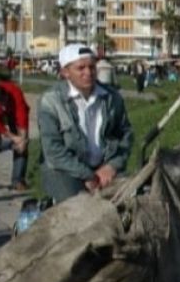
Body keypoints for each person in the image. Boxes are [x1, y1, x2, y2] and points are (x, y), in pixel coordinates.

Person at [36, 44, 134, 204]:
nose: (88, 73)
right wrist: (87, 175)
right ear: (65, 72)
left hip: (104, 168)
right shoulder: (51, 101)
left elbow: (126, 135)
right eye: (80, 68)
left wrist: (112, 166)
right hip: (65, 170)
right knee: (78, 209)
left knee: (132, 199)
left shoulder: (112, 98)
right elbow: (53, 151)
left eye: (91, 67)